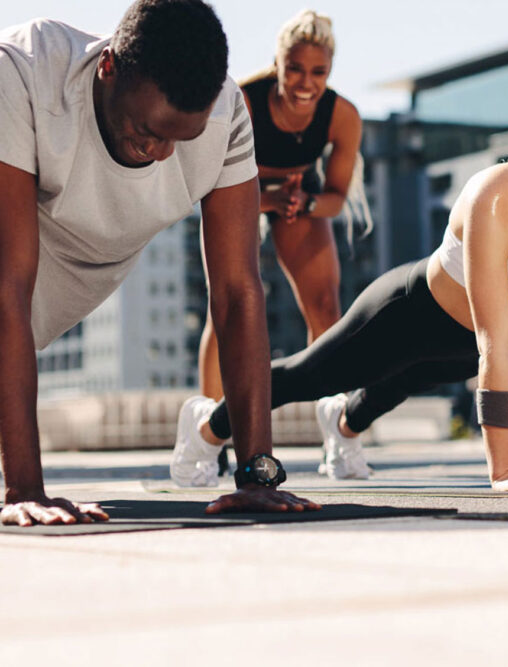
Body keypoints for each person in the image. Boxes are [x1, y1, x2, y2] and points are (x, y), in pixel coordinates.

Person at [171, 100, 508, 492]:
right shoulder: (505, 194)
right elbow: (496, 340)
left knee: (393, 390)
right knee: (311, 375)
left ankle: (342, 424)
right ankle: (205, 426)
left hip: (464, 351)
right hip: (409, 313)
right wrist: (504, 469)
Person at [0, 0, 318, 526]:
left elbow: (238, 292)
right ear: (107, 69)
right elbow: (8, 284)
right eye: (146, 131)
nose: (162, 154)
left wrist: (257, 475)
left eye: (179, 138)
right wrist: (25, 488)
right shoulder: (24, 72)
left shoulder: (225, 117)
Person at [198, 9, 367, 401]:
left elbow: (336, 200)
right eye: (294, 69)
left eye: (318, 72)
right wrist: (269, 197)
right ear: (277, 63)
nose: (305, 83)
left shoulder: (343, 116)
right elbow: (210, 180)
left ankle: (334, 426)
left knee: (326, 306)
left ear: (329, 71)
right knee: (225, 307)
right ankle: (208, 432)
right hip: (235, 187)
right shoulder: (243, 100)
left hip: (299, 193)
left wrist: (305, 203)